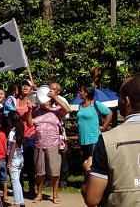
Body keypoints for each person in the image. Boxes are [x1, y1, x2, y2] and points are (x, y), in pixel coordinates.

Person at [81, 75, 140, 206]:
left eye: (119, 97)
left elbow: (92, 198)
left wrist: (88, 172)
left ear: (126, 100)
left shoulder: (108, 140)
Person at [27, 83, 70, 204]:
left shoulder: (57, 109)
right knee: (39, 172)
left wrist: (55, 97)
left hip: (53, 144)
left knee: (54, 171)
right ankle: (39, 193)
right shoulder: (38, 110)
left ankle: (55, 194)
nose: (50, 90)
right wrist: (30, 110)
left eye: (53, 89)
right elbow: (30, 123)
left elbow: (67, 110)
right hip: (39, 144)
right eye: (49, 88)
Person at [77, 85, 112, 161]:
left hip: (93, 138)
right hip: (83, 139)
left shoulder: (96, 104)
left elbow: (109, 113)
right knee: (85, 161)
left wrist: (104, 126)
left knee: (92, 161)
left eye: (81, 91)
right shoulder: (80, 105)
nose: (79, 93)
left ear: (86, 93)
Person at [16, 79, 36, 195]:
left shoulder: (34, 101)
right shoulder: (16, 101)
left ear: (31, 88)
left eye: (28, 85)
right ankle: (20, 187)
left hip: (30, 135)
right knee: (18, 163)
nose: (25, 87)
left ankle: (32, 187)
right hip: (19, 136)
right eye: (23, 84)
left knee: (29, 163)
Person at [6, 111, 25, 207]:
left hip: (14, 158)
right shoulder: (20, 129)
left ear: (10, 120)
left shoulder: (12, 132)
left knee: (15, 181)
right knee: (17, 180)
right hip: (20, 157)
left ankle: (17, 203)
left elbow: (12, 148)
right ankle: (20, 201)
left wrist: (8, 162)